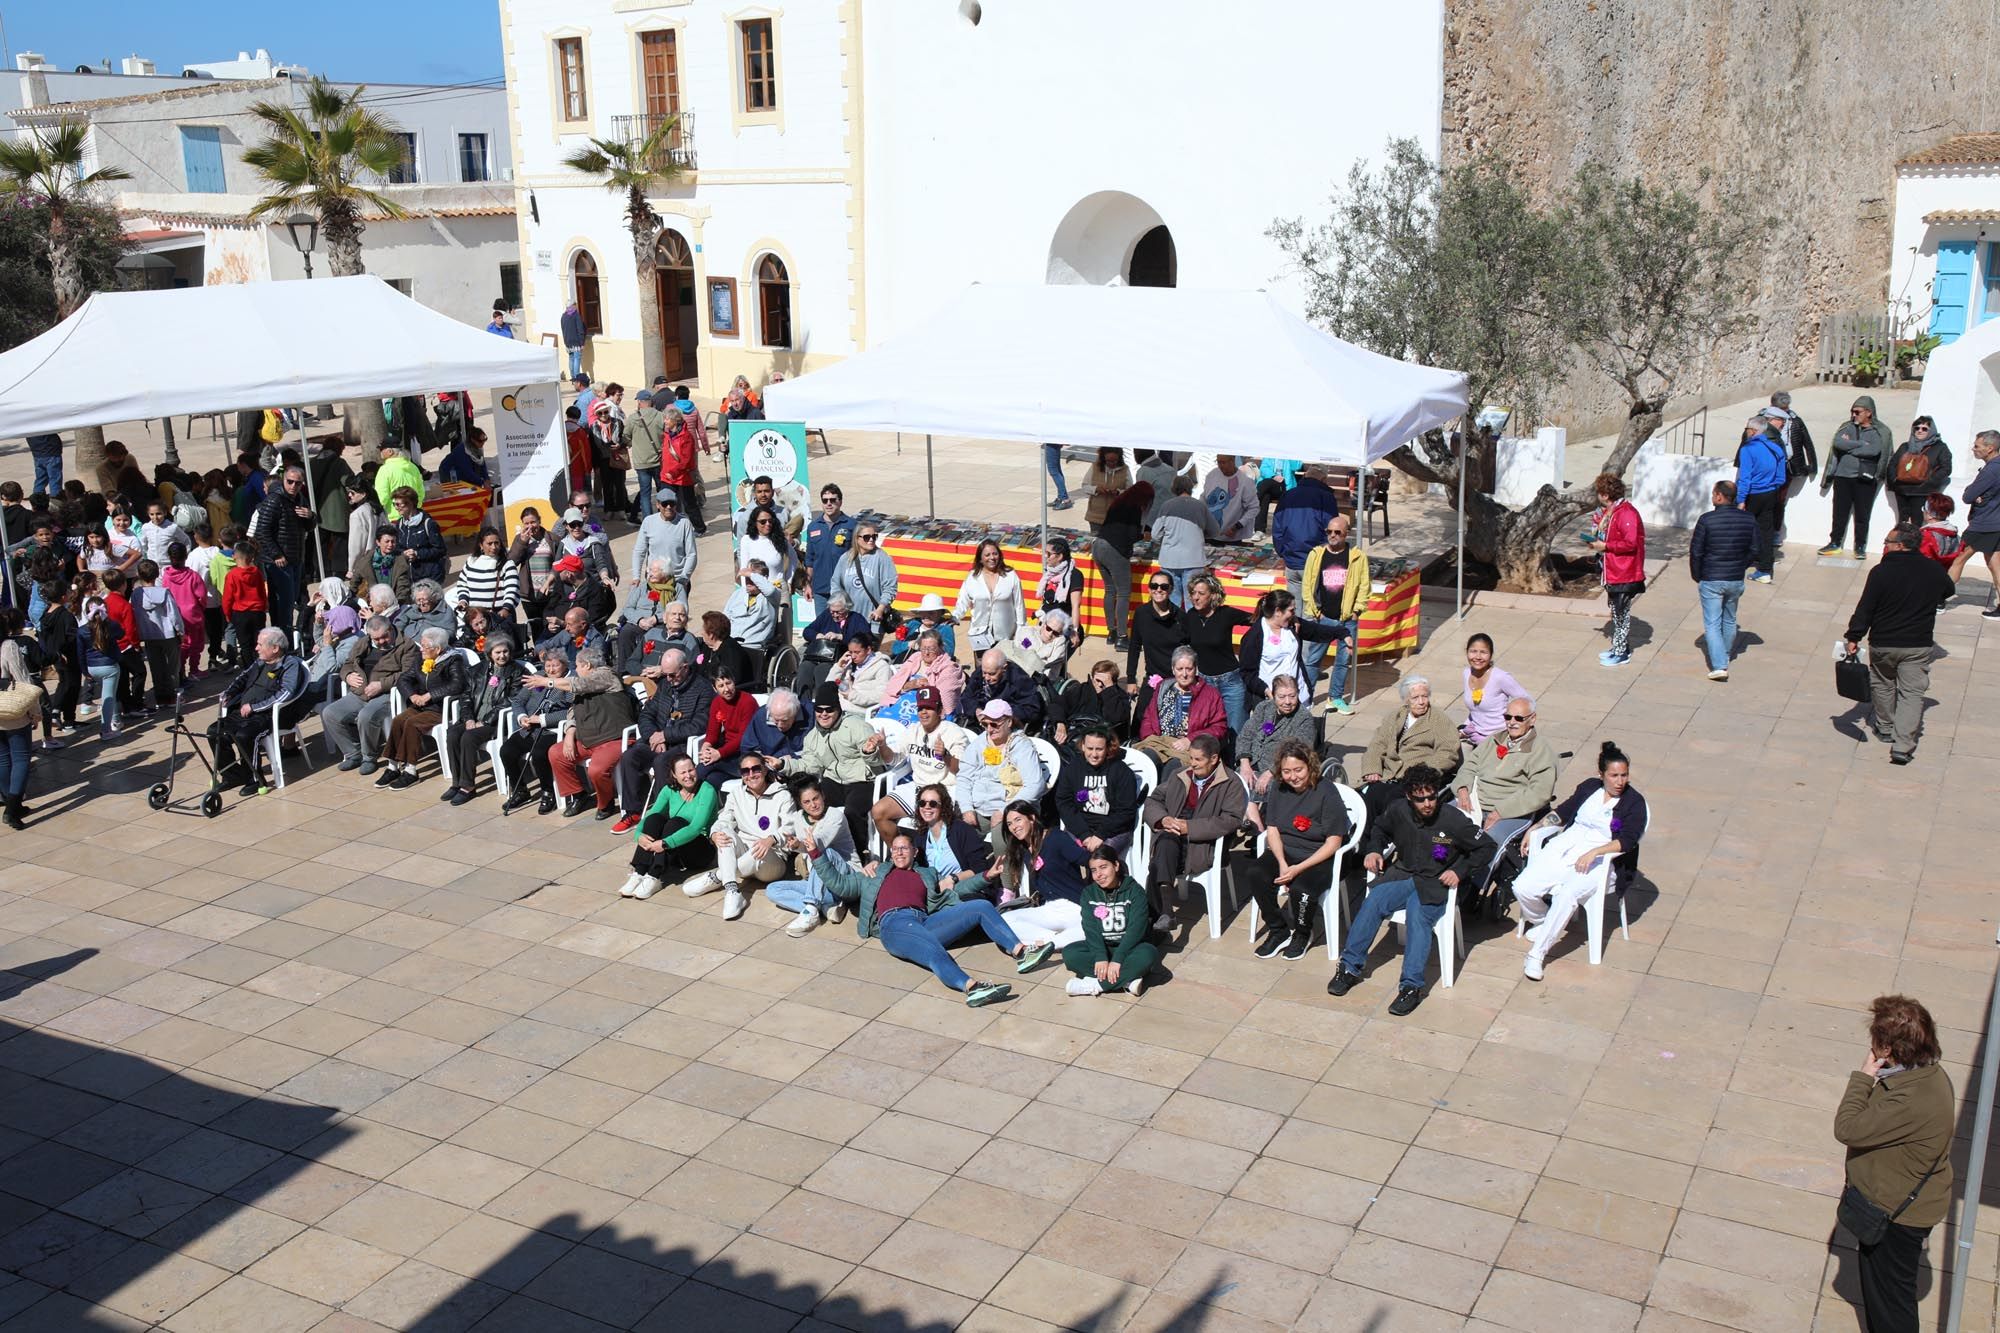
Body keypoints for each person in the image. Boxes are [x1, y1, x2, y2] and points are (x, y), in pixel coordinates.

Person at [1834, 994, 1955, 1333]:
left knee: (1890, 1305)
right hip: (1903, 1204)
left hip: (1896, 1217)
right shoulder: (1928, 1075)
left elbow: (1847, 1129)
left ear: (1886, 1048)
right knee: (1885, 1296)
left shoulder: (1909, 1098)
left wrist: (1863, 1076)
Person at [1328, 767, 1492, 1015]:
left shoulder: (1453, 820)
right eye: (1420, 798)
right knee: (1373, 903)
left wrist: (1460, 870)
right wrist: (1374, 849)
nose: (1427, 803)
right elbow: (1380, 829)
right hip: (1404, 874)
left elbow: (1486, 847)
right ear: (1408, 796)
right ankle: (1349, 967)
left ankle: (1411, 987)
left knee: (1418, 917)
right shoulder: (1398, 810)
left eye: (1432, 797)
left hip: (1435, 882)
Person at [807, 829, 1028, 1006]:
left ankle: (1022, 951)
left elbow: (953, 891)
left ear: (914, 851)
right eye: (894, 849)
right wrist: (816, 854)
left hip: (924, 921)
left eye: (904, 848)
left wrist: (987, 876)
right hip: (894, 924)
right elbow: (840, 885)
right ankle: (972, 988)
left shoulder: (927, 874)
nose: (899, 853)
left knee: (980, 906)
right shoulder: (874, 874)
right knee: (931, 948)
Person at [1845, 523, 1954, 765]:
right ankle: (1903, 746)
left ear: (1901, 545)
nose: (1885, 545)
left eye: (1887, 541)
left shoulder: (1880, 572)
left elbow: (1866, 608)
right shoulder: (1933, 570)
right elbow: (1948, 589)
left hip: (1883, 643)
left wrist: (1854, 636)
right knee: (1912, 695)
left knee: (1882, 684)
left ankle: (1885, 727)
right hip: (1917, 644)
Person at [1235, 740, 1351, 961]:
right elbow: (1273, 829)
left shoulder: (1327, 792)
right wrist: (1281, 862)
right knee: (1256, 874)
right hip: (1286, 850)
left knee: (1302, 890)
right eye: (1287, 771)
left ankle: (1302, 933)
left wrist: (1298, 869)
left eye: (1298, 770)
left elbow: (1333, 842)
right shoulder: (1279, 787)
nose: (1293, 777)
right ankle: (1278, 929)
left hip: (1318, 855)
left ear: (1310, 766)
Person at [1140, 734, 1245, 933]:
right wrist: (1163, 819)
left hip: (1203, 846)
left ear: (1214, 759)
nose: (1192, 764)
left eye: (1198, 759)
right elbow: (1153, 800)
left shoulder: (1231, 783)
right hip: (1172, 837)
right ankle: (1166, 913)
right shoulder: (1181, 775)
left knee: (1157, 862)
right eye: (1191, 758)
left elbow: (1230, 820)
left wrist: (1190, 828)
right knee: (1165, 843)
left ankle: (1159, 915)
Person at [681, 754, 799, 921]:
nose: (751, 774)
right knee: (723, 833)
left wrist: (771, 838)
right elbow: (723, 820)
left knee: (759, 849)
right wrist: (714, 834)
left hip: (772, 860)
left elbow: (791, 826)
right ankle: (732, 891)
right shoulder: (736, 794)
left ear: (764, 769)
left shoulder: (782, 795)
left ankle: (718, 876)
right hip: (745, 854)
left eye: (756, 769)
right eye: (745, 771)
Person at [610, 648, 713, 827]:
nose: (669, 679)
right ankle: (633, 811)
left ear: (685, 668)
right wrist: (653, 737)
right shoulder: (665, 685)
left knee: (662, 763)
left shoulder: (703, 689)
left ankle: (662, 814)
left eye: (672, 675)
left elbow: (698, 725)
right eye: (666, 675)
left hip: (682, 744)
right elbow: (646, 714)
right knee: (630, 756)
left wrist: (665, 735)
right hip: (656, 739)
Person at [207, 627, 308, 796]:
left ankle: (254, 779)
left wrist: (254, 707)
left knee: (244, 736)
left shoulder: (290, 664)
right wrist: (229, 692)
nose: (256, 648)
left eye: (260, 644)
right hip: (244, 712)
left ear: (275, 648)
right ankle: (232, 776)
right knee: (214, 732)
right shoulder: (261, 661)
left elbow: (285, 694)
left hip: (268, 716)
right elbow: (242, 678)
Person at [1456, 693, 1557, 856]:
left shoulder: (1540, 751)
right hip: (1474, 802)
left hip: (1509, 811)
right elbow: (1470, 765)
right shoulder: (1494, 739)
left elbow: (1540, 793)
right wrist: (1462, 789)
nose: (1512, 722)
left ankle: (1477, 881)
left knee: (1487, 845)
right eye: (1508, 717)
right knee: (1441, 827)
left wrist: (1501, 811)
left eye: (1519, 718)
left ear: (1532, 719)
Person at [870, 686, 971, 842]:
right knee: (878, 812)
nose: (923, 712)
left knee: (931, 825)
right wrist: (883, 746)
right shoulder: (913, 729)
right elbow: (893, 759)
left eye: (929, 708)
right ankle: (901, 856)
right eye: (921, 708)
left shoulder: (954, 732)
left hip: (944, 790)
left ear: (939, 710)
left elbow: (961, 770)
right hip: (918, 786)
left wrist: (945, 755)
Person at [1059, 846, 1160, 998]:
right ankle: (1127, 981)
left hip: (1130, 948)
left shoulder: (1135, 891)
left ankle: (1093, 984)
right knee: (1070, 954)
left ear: (1116, 865)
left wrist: (1118, 959)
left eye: (1103, 867)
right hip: (1103, 947)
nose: (1098, 874)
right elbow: (1090, 929)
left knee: (1148, 955)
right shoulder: (1089, 893)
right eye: (1093, 870)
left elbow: (1136, 929)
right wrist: (1100, 957)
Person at [760, 778, 857, 935]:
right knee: (773, 890)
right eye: (807, 802)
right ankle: (824, 907)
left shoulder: (835, 816)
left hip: (846, 877)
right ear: (801, 804)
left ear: (823, 796)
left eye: (815, 798)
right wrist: (787, 842)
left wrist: (799, 845)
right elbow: (788, 833)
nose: (813, 805)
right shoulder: (798, 818)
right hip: (820, 883)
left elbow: (818, 844)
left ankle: (811, 910)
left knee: (825, 853)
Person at [547, 649, 638, 816]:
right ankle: (579, 794)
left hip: (613, 738)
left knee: (596, 770)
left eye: (578, 666)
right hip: (588, 738)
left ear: (587, 665)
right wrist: (570, 732)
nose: (576, 670)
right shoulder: (585, 683)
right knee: (556, 753)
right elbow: (572, 711)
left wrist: (547, 682)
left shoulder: (607, 675)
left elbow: (578, 684)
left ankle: (606, 803)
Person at [1355, 675, 1459, 821]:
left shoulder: (1438, 720)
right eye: (1415, 697)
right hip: (1389, 774)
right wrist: (1372, 768)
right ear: (1406, 699)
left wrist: (1422, 774)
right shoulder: (1395, 716)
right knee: (1371, 796)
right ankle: (1368, 839)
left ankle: (1387, 838)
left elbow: (1448, 752)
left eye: (1425, 696)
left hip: (1414, 778)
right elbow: (1377, 744)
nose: (1422, 702)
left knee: (1392, 801)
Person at [322, 616, 417, 774]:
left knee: (366, 716)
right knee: (330, 713)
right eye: (376, 639)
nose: (380, 641)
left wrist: (382, 684)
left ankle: (369, 757)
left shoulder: (406, 645)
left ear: (390, 630)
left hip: (386, 694)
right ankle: (353, 753)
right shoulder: (363, 643)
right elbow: (347, 664)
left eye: (384, 637)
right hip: (360, 693)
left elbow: (408, 673)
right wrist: (347, 676)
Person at [437, 633, 525, 806]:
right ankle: (457, 782)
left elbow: (511, 700)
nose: (502, 656)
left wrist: (484, 721)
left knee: (469, 738)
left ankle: (468, 786)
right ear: (489, 653)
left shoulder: (517, 672)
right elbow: (466, 697)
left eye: (505, 652)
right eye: (497, 652)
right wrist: (468, 718)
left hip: (497, 722)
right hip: (475, 717)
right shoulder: (478, 670)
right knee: (453, 733)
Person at [376, 627, 467, 789]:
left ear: (438, 649)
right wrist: (412, 696)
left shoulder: (453, 660)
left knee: (412, 724)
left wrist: (429, 695)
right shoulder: (421, 658)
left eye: (425, 646)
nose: (421, 649)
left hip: (440, 709)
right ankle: (393, 766)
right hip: (420, 705)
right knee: (398, 721)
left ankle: (411, 771)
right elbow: (404, 679)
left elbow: (457, 685)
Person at [620, 753, 718, 901]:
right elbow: (651, 813)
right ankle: (640, 872)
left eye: (691, 770)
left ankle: (654, 876)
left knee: (675, 822)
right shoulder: (669, 789)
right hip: (677, 850)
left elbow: (695, 828)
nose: (688, 776)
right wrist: (638, 834)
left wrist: (665, 843)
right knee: (655, 819)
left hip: (700, 851)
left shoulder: (707, 790)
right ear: (674, 775)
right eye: (683, 772)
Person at [954, 699, 1046, 852]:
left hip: (1011, 806)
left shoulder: (1021, 746)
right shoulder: (979, 743)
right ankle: (972, 875)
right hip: (980, 808)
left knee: (1001, 839)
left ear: (1009, 722)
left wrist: (1005, 810)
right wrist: (966, 808)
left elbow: (1035, 785)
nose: (990, 729)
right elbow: (964, 777)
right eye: (986, 724)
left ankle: (1008, 876)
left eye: (995, 724)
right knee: (956, 834)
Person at [1689, 479, 1758, 681]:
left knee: (1712, 623)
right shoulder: (1749, 519)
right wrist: (1740, 565)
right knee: (1729, 619)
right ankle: (1725, 655)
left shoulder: (1706, 520)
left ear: (1719, 496)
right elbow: (1755, 549)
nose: (1712, 497)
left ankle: (1719, 665)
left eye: (1713, 494)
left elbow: (1696, 552)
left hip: (1712, 578)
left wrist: (1697, 574)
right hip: (1735, 579)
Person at [1299, 514, 1368, 712]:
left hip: (1347, 619)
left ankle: (1335, 697)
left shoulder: (1357, 557)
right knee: (1313, 660)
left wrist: (1356, 611)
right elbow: (1307, 585)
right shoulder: (1316, 554)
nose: (1332, 535)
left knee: (1343, 660)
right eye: (1329, 531)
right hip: (1324, 618)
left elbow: (1364, 585)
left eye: (1337, 532)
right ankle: (1307, 696)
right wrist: (1314, 611)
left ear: (1346, 534)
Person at [1236, 589, 1344, 714]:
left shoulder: (1292, 625)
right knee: (1270, 732)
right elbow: (1247, 673)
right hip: (1271, 702)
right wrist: (1266, 690)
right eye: (1291, 610)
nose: (1294, 614)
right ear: (1277, 611)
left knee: (1301, 733)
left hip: (1299, 699)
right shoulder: (1254, 636)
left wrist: (1343, 633)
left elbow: (1317, 630)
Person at [497, 651, 575, 814]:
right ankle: (520, 790)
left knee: (540, 755)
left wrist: (542, 719)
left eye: (555, 666)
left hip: (554, 731)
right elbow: (518, 701)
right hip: (530, 727)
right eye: (548, 666)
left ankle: (548, 792)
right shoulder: (538, 677)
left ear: (565, 665)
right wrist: (522, 717)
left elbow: (571, 711)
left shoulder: (570, 682)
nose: (551, 670)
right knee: (507, 751)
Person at [1821, 394, 1894, 559]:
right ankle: (1835, 542)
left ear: (1868, 413)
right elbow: (1838, 443)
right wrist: (1861, 444)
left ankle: (1860, 546)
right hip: (1843, 477)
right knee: (1839, 512)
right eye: (1852, 411)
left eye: (1857, 411)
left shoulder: (1880, 431)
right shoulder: (1846, 427)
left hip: (1865, 479)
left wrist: (1850, 447)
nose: (1854, 415)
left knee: (1862, 514)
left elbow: (1875, 450)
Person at [1052, 725, 1139, 859]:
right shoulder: (1074, 767)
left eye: (1099, 749)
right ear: (1082, 746)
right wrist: (1084, 835)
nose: (1094, 754)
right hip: (1080, 828)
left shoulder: (1121, 771)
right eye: (1090, 748)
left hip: (1113, 831)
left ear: (1108, 748)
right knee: (1057, 851)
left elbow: (1126, 811)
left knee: (1099, 859)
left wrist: (1100, 835)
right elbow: (1064, 802)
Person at [1240, 673, 1319, 822]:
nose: (1287, 702)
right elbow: (1246, 735)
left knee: (1248, 789)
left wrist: (1270, 772)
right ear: (1273, 695)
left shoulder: (1304, 718)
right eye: (1282, 697)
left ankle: (1258, 830)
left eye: (1292, 696)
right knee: (1237, 781)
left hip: (1281, 772)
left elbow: (1298, 753)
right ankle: (1253, 822)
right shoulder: (1264, 708)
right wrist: (1244, 764)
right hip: (1253, 764)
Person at [1134, 646, 1227, 771]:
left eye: (1189, 669)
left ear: (1196, 669)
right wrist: (1150, 738)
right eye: (1180, 669)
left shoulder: (1210, 694)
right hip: (1158, 742)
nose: (1184, 674)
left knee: (1173, 769)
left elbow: (1219, 727)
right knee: (1147, 761)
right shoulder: (1163, 687)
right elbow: (1149, 717)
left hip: (1188, 749)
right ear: (1173, 670)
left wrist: (1190, 740)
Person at [1587, 473, 1646, 666]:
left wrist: (1605, 546)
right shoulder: (1612, 512)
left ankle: (1621, 652)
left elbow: (1630, 543)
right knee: (1615, 609)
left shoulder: (1626, 513)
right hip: (1613, 571)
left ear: (1605, 494)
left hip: (1624, 572)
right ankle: (1619, 648)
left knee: (1621, 612)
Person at [1183, 575, 1252, 733]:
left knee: (1236, 730)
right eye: (1193, 593)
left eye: (1201, 593)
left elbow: (1256, 620)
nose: (1196, 597)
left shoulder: (1226, 614)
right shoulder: (1191, 616)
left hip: (1231, 682)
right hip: (1205, 682)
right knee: (1209, 730)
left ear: (1213, 595)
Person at [1272, 469, 1344, 604]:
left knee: (1294, 607)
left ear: (1305, 476)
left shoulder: (1288, 495)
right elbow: (1332, 530)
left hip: (1292, 559)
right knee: (1312, 607)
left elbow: (1277, 527)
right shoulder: (1325, 496)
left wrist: (1283, 552)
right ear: (1323, 480)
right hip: (1313, 559)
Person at [1733, 410, 1789, 584]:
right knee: (1766, 532)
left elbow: (1745, 477)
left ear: (1754, 430)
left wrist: (1741, 500)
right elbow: (1781, 476)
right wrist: (1772, 486)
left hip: (1753, 495)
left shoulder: (1748, 448)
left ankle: (1737, 563)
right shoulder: (1776, 448)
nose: (1746, 432)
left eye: (1747, 429)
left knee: (1742, 529)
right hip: (1770, 493)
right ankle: (1765, 570)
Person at [1094, 480, 1150, 650]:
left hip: (1099, 546)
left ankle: (1111, 632)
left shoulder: (1118, 503)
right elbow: (1131, 535)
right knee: (1123, 593)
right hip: (1115, 550)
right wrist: (1144, 536)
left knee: (1110, 590)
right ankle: (1122, 637)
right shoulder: (1134, 508)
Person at [1950, 429, 2000, 616]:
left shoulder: (1991, 470)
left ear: (1990, 448)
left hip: (1983, 524)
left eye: (1977, 446)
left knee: (1957, 559)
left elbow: (1968, 496)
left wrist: (1977, 495)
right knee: (1995, 564)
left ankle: (1938, 599)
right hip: (1996, 523)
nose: (1973, 449)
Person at [1151, 473, 1218, 607]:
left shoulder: (1167, 506)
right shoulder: (1200, 506)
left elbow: (1155, 534)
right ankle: (1192, 627)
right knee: (1193, 601)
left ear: (1174, 489)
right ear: (1190, 488)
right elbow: (1215, 531)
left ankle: (1173, 627)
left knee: (1171, 601)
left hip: (1169, 560)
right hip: (1193, 559)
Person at [627, 492, 698, 617]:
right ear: (658, 505)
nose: (669, 507)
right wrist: (636, 576)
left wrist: (684, 578)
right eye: (665, 504)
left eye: (672, 504)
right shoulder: (649, 522)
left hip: (676, 581)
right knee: (652, 613)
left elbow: (691, 554)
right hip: (654, 580)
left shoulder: (684, 523)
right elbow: (639, 551)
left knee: (676, 616)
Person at [0, 615, 41, 828]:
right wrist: (35, 711)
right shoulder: (8, 646)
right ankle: (12, 808)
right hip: (11, 710)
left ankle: (11, 801)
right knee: (21, 758)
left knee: (3, 759)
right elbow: (23, 679)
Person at [954, 540, 1026, 656]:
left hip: (1006, 634)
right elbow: (962, 602)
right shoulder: (972, 578)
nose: (992, 558)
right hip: (980, 634)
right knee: (982, 669)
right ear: (980, 559)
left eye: (995, 553)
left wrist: (1021, 629)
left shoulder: (1011, 576)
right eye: (987, 555)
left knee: (1004, 668)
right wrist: (955, 617)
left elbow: (1019, 605)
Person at [831, 521, 899, 636]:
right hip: (849, 620)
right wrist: (839, 605)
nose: (871, 540)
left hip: (873, 621)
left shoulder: (882, 558)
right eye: (867, 537)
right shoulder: (846, 558)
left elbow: (890, 587)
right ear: (857, 539)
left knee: (868, 653)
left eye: (874, 536)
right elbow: (835, 584)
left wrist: (881, 609)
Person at [693, 665, 758, 783]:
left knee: (704, 767)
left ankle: (686, 796)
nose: (726, 689)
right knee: (712, 780)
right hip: (729, 753)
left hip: (746, 755)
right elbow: (713, 732)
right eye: (721, 686)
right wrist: (706, 747)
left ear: (734, 681)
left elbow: (744, 738)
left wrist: (719, 753)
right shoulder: (717, 702)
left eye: (729, 683)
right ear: (714, 688)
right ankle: (702, 801)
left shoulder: (747, 701)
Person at [1887, 415, 1952, 529]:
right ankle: (1901, 545)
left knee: (1916, 523)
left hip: (1922, 491)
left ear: (1931, 431)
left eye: (1924, 428)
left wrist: (1929, 482)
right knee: (1902, 521)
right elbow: (1892, 464)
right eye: (1917, 428)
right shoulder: (1905, 446)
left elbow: (1946, 468)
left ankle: (1912, 545)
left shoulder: (1940, 447)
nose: (1920, 431)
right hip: (1902, 490)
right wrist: (1894, 481)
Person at [882, 629, 966, 718]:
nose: (926, 653)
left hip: (928, 709)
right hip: (902, 703)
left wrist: (929, 687)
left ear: (940, 647)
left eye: (931, 649)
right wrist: (909, 685)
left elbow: (946, 700)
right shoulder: (914, 659)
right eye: (923, 648)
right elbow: (894, 685)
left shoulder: (949, 668)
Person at [1459, 633, 1525, 746]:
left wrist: (1515, 727)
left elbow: (1526, 701)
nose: (1478, 657)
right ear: (1467, 652)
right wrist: (1464, 728)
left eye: (1483, 652)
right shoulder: (1466, 673)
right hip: (1474, 735)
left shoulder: (1500, 677)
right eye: (1473, 651)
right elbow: (1475, 710)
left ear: (1491, 654)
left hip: (1498, 739)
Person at [1048, 657, 1133, 744]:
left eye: (1104, 681)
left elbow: (1115, 718)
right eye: (1097, 680)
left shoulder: (1119, 697)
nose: (1100, 684)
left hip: (1103, 740)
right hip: (1076, 735)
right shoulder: (1081, 690)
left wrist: (1109, 690)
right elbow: (1057, 704)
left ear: (1113, 682)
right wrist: (1060, 723)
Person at [449, 528, 520, 628]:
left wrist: (506, 608)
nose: (494, 547)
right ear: (481, 545)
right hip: (475, 618)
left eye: (497, 543)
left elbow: (512, 589)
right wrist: (463, 600)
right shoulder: (471, 561)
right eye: (489, 543)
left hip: (498, 617)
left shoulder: (507, 564)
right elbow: (462, 584)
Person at [958, 648, 1042, 732]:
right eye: (984, 673)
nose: (987, 678)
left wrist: (1004, 712)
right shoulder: (979, 674)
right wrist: (976, 710)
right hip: (980, 723)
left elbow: (1032, 710)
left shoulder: (1019, 680)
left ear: (1004, 668)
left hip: (1005, 727)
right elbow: (965, 697)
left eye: (992, 674)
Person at [802, 484, 858, 606]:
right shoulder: (813, 527)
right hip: (820, 589)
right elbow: (809, 560)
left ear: (840, 502)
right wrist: (807, 585)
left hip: (844, 588)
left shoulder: (852, 525)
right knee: (823, 625)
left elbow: (858, 557)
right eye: (825, 500)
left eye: (833, 500)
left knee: (843, 624)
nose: (829, 503)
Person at [390, 486, 446, 586]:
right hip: (409, 577)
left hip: (429, 577)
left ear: (410, 503)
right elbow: (398, 547)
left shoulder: (428, 524)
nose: (396, 507)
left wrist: (417, 554)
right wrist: (404, 554)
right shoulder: (400, 524)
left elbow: (440, 550)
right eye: (394, 504)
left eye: (398, 504)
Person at [829, 631, 894, 716]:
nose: (853, 656)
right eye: (851, 652)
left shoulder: (882, 667)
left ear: (868, 650)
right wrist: (839, 667)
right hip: (839, 707)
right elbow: (828, 686)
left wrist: (852, 696)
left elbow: (882, 695)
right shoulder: (849, 663)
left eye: (857, 652)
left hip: (858, 711)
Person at [624, 388, 664, 522]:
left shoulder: (633, 418)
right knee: (661, 491)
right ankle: (663, 517)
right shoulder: (660, 416)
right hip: (658, 460)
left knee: (645, 494)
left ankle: (648, 521)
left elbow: (625, 436)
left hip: (641, 462)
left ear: (640, 402)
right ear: (650, 401)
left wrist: (633, 443)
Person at [1200, 454, 1258, 543]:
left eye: (1223, 462)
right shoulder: (1212, 475)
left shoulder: (1245, 481)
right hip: (1209, 534)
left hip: (1232, 537)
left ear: (1232, 461)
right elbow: (1204, 497)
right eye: (1218, 462)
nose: (1220, 465)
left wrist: (1238, 526)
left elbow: (1253, 508)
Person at [350, 527, 413, 604]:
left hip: (393, 603)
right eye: (387, 541)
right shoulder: (366, 560)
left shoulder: (400, 561)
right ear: (378, 542)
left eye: (393, 541)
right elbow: (354, 582)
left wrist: (397, 604)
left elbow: (403, 586)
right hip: (371, 602)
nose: (390, 545)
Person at [1082, 448, 1132, 534]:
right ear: (1103, 459)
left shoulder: (1125, 469)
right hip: (1095, 515)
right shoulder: (1095, 467)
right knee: (1096, 540)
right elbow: (1085, 486)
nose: (1112, 463)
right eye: (1109, 461)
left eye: (1115, 461)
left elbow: (1130, 491)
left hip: (1117, 516)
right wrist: (1096, 489)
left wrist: (1119, 492)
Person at [1255, 457, 1302, 533]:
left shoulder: (1290, 454)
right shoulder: (1270, 453)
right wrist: (1273, 476)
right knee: (1265, 496)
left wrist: (1290, 454)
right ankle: (1259, 530)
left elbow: (1297, 466)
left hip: (1284, 486)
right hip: (1269, 486)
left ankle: (1253, 500)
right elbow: (1263, 468)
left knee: (1266, 484)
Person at [561, 299, 587, 380]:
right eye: (575, 304)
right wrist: (582, 343)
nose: (576, 306)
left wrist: (565, 342)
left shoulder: (563, 316)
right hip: (576, 342)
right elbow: (580, 330)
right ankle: (576, 379)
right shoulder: (576, 315)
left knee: (571, 358)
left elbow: (563, 329)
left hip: (567, 341)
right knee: (576, 359)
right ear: (572, 306)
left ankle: (573, 377)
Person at [1043, 442, 1073, 510]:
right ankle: (1061, 497)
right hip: (1054, 442)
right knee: (1057, 470)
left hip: (1051, 442)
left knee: (1054, 471)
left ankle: (1065, 499)